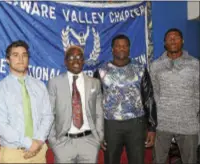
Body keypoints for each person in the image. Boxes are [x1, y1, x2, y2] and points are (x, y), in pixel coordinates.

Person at [95, 34, 157, 164]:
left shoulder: (140, 69)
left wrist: (151, 127)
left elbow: (149, 98)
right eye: (118, 46)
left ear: (129, 48)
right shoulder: (101, 71)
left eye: (124, 46)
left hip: (136, 123)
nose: (121, 48)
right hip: (110, 124)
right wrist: (98, 130)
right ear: (112, 49)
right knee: (111, 160)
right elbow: (95, 102)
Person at [0, 40, 54, 163]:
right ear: (8, 60)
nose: (20, 58)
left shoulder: (40, 86)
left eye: (24, 55)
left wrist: (39, 141)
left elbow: (48, 116)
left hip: (39, 152)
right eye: (15, 55)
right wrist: (29, 143)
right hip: (13, 153)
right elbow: (1, 126)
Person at [47, 45, 104, 163]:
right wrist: (53, 141)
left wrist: (99, 137)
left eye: (79, 57)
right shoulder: (55, 83)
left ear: (83, 61)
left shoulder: (95, 83)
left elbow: (99, 112)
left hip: (89, 142)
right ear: (65, 62)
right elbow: (49, 113)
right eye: (71, 57)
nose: (76, 61)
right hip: (63, 143)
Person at [150, 28, 199, 164]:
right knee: (158, 160)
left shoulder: (195, 64)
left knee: (190, 160)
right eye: (169, 38)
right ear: (164, 43)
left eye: (176, 37)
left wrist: (193, 112)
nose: (173, 40)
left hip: (188, 123)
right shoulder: (155, 66)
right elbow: (154, 92)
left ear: (182, 41)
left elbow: (198, 92)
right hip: (162, 123)